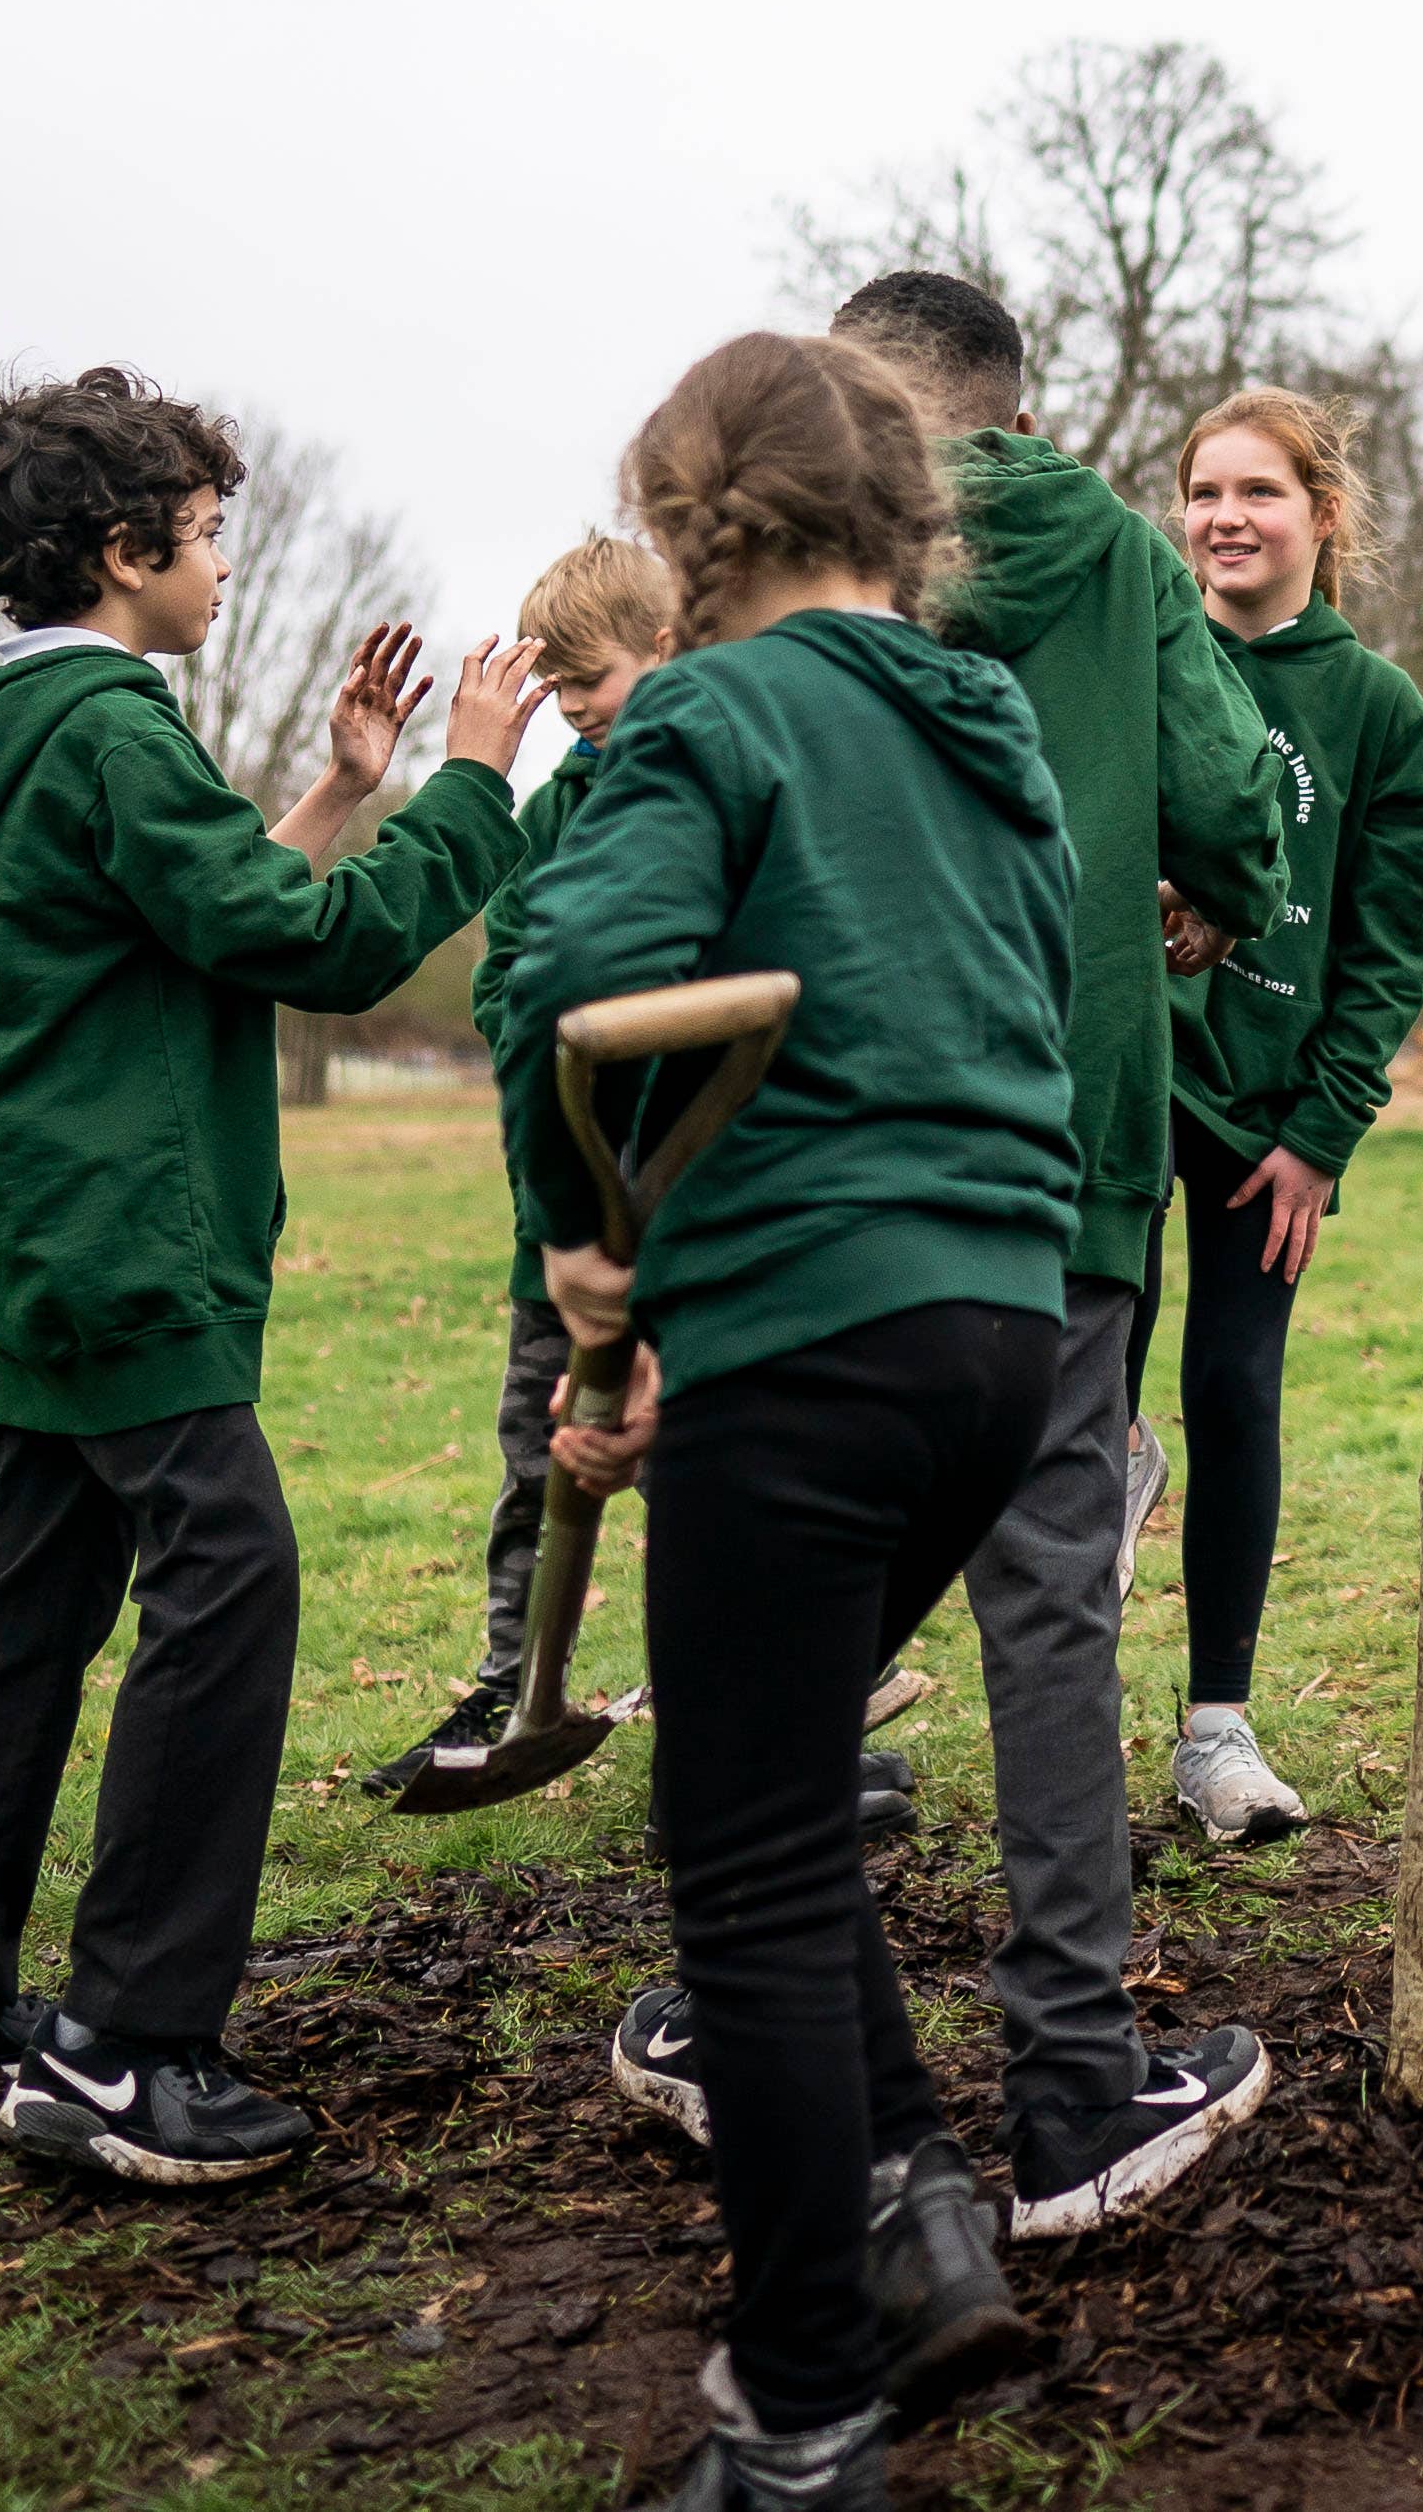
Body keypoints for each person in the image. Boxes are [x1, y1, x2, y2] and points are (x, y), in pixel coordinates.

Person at [604, 271, 1289, 2244]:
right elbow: (1237, 801)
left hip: (794, 1158)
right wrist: (1199, 889)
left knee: (793, 1598)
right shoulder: (1120, 566)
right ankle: (1074, 2068)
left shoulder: (745, 623)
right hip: (1051, 1139)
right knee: (1048, 1602)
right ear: (1005, 399)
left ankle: (749, 1998)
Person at [0, 367, 527, 2183]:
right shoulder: (117, 733)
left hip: (34, 1216)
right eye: (208, 536)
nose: (222, 565)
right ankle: (130, 2046)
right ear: (126, 550)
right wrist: (465, 787)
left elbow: (188, 918)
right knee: (231, 1573)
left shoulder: (26, 737)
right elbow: (317, 946)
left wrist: (328, 790)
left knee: (38, 1598)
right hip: (122, 1228)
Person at [499, 332, 1086, 2511]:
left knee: (739, 1865)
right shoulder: (987, 715)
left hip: (810, 1333)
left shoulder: (706, 713)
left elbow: (576, 984)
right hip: (998, 1333)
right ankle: (918, 2208)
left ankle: (802, 2412)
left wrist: (583, 1245)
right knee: (776, 1772)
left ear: (685, 518)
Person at [1137, 387, 1423, 1842]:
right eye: (1201, 491)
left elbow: (1389, 949)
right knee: (1077, 1390)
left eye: (1257, 491)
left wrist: (1323, 1130)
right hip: (1128, 1083)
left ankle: (1216, 1731)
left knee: (1235, 1392)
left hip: (1270, 1118)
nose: (1221, 517)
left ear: (1322, 516)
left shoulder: (1377, 711)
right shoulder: (1134, 660)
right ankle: (1062, 1714)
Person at [357, 533, 679, 1803]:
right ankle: (513, 1677)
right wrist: (547, 1051)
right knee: (538, 1449)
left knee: (710, 1466)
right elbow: (509, 973)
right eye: (558, 685)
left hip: (698, 1204)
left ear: (667, 647)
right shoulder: (557, 809)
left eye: (591, 676)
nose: (574, 707)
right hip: (562, 1205)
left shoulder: (725, 779)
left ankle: (762, 1678)